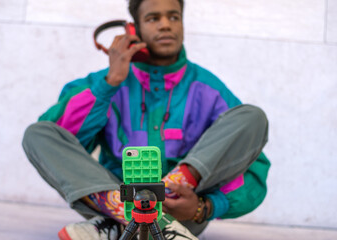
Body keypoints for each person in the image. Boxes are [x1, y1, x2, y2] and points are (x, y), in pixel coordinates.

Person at [22, 0, 270, 239]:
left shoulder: (209, 89)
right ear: (134, 30)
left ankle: (118, 226)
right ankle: (130, 217)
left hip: (181, 216)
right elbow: (64, 146)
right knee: (38, 134)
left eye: (173, 17)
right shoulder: (106, 83)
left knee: (252, 117)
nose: (165, 25)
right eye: (153, 18)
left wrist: (203, 207)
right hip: (113, 199)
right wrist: (109, 84)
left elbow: (249, 162)